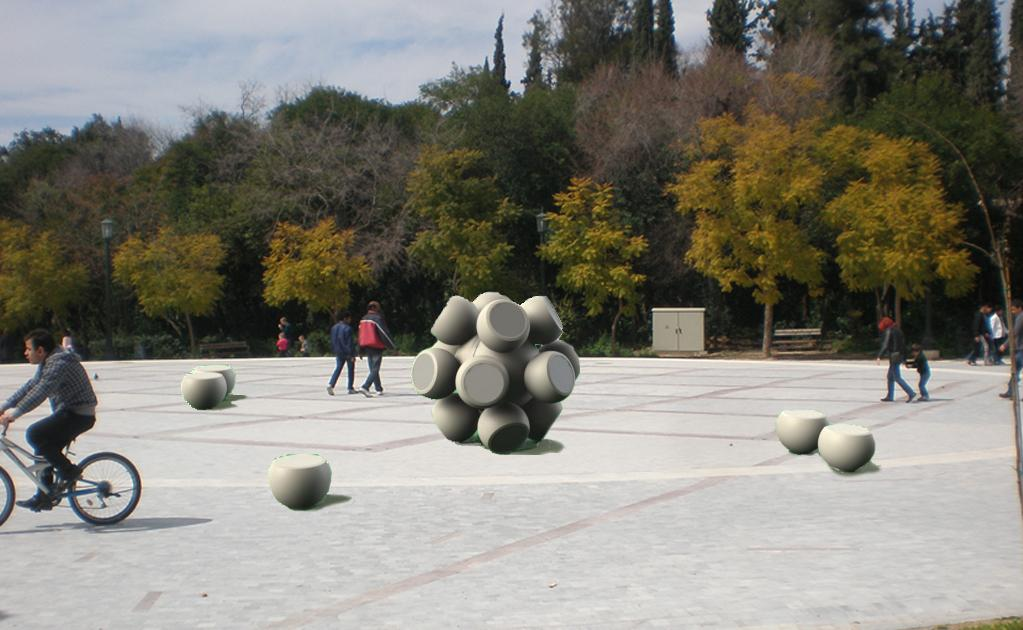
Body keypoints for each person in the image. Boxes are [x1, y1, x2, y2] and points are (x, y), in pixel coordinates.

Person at [0, 329, 97, 512]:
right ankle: (44, 496)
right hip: (68, 412)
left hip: (79, 414)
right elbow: (31, 385)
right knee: (42, 449)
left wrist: (15, 413)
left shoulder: (59, 363)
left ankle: (69, 471)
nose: (25, 353)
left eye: (28, 349)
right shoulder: (49, 361)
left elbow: (41, 391)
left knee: (35, 433)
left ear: (41, 350)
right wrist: (4, 405)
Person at [357, 300, 396, 397]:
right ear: (374, 308)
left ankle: (378, 388)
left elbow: (360, 336)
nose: (379, 309)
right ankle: (365, 386)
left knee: (373, 369)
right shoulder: (377, 319)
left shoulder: (363, 319)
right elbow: (384, 333)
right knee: (375, 369)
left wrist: (360, 350)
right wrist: (392, 346)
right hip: (376, 346)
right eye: (378, 307)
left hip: (366, 347)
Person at [877, 316, 915, 403]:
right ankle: (890, 396)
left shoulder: (889, 330)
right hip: (899, 355)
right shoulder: (898, 330)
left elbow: (885, 345)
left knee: (897, 377)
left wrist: (879, 356)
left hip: (894, 356)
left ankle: (911, 393)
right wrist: (904, 358)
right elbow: (903, 345)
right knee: (890, 377)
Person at [328, 311, 358, 395]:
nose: (350, 320)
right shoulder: (348, 328)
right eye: (349, 318)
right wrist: (352, 354)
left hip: (338, 351)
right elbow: (349, 343)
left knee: (338, 368)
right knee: (350, 370)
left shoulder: (334, 328)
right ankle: (350, 387)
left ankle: (331, 384)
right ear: (345, 318)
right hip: (347, 352)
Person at [999, 299, 1023, 399]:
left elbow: (1015, 332)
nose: (1012, 312)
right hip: (1020, 349)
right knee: (1015, 370)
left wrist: (1005, 344)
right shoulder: (1019, 317)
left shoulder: (1021, 317)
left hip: (1021, 349)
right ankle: (1011, 391)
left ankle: (1011, 392)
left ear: (1019, 308)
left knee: (1016, 370)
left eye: (1013, 310)